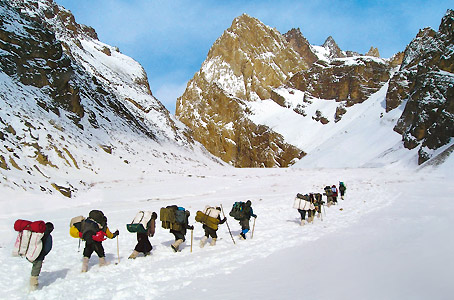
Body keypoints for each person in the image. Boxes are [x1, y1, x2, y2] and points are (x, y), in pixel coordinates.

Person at [30, 222, 54, 291]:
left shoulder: (37, 232)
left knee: (34, 267)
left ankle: (33, 284)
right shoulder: (48, 236)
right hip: (39, 256)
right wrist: (43, 255)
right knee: (35, 270)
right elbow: (48, 248)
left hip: (31, 253)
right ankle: (33, 287)